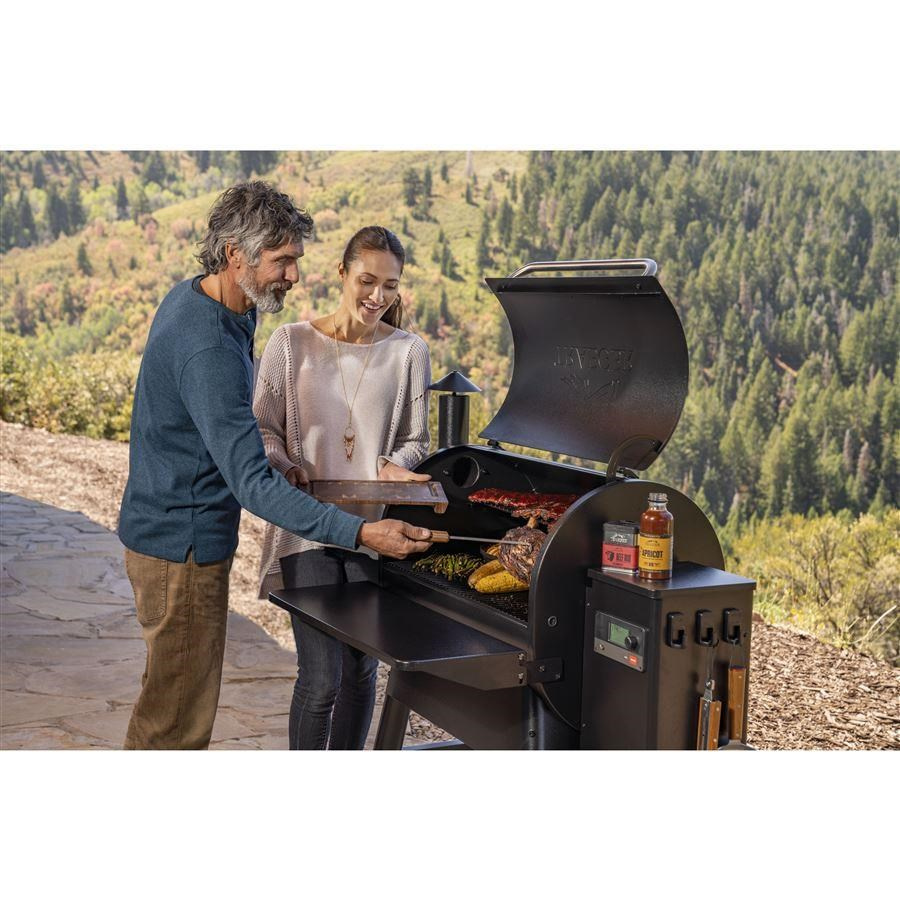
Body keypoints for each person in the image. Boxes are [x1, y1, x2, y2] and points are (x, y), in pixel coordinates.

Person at [118, 185, 432, 750]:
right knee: (176, 726)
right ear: (235, 255)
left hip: (172, 540)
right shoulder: (211, 345)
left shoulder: (206, 303)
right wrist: (361, 532)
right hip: (180, 549)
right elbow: (253, 484)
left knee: (168, 704)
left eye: (296, 259)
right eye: (281, 260)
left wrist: (287, 461)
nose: (293, 275)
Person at [254, 225, 431, 750]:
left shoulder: (409, 352)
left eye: (390, 285)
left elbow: (417, 439)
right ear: (342, 273)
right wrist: (283, 462)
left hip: (375, 535)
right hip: (305, 531)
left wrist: (394, 464)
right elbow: (261, 428)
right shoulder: (291, 344)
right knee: (320, 680)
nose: (378, 296)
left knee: (360, 674)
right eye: (367, 281)